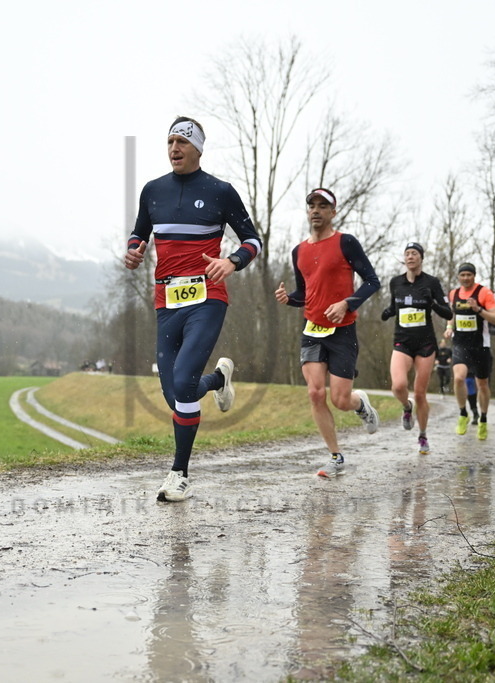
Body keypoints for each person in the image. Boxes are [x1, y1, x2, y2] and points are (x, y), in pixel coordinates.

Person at [124, 116, 263, 502]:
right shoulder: (153, 191)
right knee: (176, 396)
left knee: (184, 380)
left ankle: (179, 474)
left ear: (198, 149)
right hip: (166, 301)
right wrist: (134, 251)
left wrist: (232, 261)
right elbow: (139, 233)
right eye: (170, 141)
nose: (174, 148)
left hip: (207, 297)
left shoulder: (220, 192)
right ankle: (218, 380)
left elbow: (253, 240)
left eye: (182, 142)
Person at [275, 188, 382, 479]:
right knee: (315, 392)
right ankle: (335, 456)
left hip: (343, 331)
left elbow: (372, 281)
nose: (316, 210)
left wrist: (347, 303)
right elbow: (304, 293)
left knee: (340, 400)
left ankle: (361, 405)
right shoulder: (299, 251)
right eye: (312, 205)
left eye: (323, 206)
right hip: (312, 330)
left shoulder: (346, 243)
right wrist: (289, 299)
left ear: (333, 212)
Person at [381, 242, 453, 455]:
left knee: (420, 394)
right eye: (407, 254)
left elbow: (448, 313)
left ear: (421, 258)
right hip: (402, 342)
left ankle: (422, 435)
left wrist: (433, 304)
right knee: (398, 386)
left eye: (414, 253)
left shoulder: (432, 282)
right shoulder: (396, 282)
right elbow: (395, 306)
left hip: (425, 344)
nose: (410, 257)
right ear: (404, 259)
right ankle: (406, 407)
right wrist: (388, 312)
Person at [444, 262, 495, 440]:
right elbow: (452, 315)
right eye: (463, 275)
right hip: (460, 344)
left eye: (469, 275)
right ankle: (463, 414)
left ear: (474, 276)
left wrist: (479, 309)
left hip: (480, 345)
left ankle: (483, 419)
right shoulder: (454, 294)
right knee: (459, 378)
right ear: (458, 277)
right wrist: (449, 327)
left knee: (482, 384)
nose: (466, 278)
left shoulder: (484, 293)